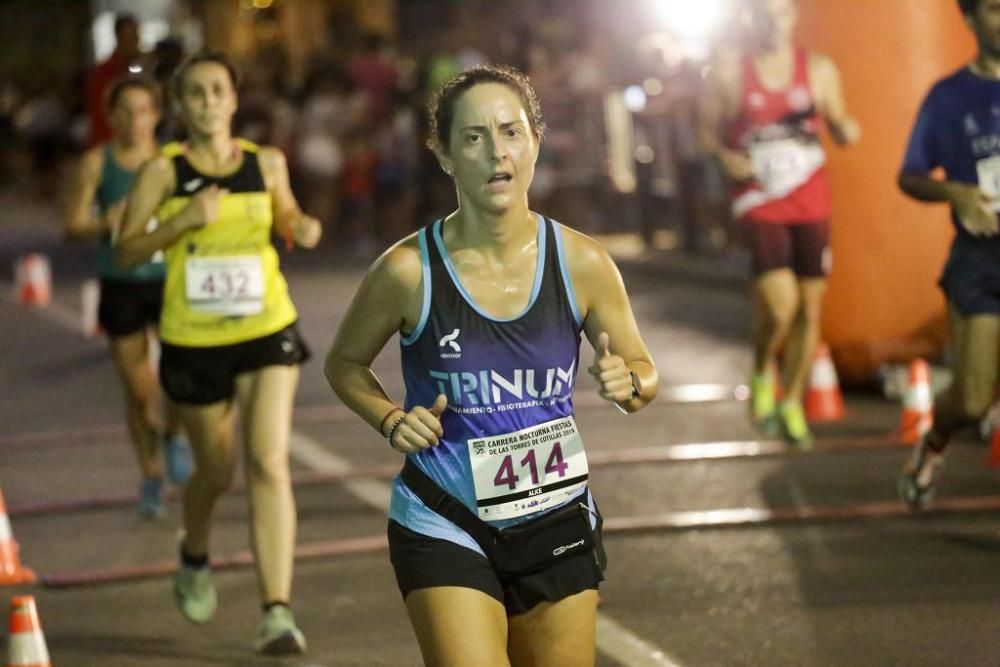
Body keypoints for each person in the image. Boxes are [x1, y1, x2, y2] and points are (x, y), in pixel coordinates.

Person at [325, 65, 658, 666]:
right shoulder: (407, 271)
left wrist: (628, 382)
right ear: (445, 155)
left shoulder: (582, 262)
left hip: (556, 519)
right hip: (444, 519)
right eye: (473, 137)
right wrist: (390, 419)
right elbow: (344, 364)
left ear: (536, 140)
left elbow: (640, 372)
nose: (495, 152)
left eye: (510, 131)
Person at [115, 52, 321, 654]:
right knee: (215, 472)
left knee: (266, 462)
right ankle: (195, 552)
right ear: (181, 106)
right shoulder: (163, 171)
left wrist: (301, 227)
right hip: (194, 339)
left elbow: (287, 216)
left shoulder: (267, 163)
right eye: (196, 94)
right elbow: (125, 252)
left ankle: (277, 610)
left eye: (218, 92)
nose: (209, 103)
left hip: (266, 327)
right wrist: (181, 224)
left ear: (233, 100)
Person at [697, 0, 860, 446]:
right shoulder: (733, 74)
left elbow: (839, 117)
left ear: (793, 18)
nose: (775, 23)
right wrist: (723, 156)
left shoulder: (819, 69)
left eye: (783, 13)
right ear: (752, 19)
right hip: (759, 199)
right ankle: (761, 368)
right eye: (765, 14)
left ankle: (791, 402)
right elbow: (705, 129)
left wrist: (845, 128)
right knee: (781, 303)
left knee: (810, 307)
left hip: (810, 200)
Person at [63, 76, 191, 519]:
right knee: (138, 394)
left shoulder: (172, 161)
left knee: (179, 382)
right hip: (120, 283)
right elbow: (72, 224)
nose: (133, 121)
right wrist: (108, 221)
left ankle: (174, 434)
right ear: (110, 116)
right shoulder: (97, 163)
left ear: (156, 115)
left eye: (142, 111)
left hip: (169, 281)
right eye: (124, 111)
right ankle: (152, 474)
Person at [898, 0, 1000, 509]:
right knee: (974, 399)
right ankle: (934, 441)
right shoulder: (949, 97)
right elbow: (910, 175)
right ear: (969, 18)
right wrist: (957, 194)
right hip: (981, 261)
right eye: (996, 9)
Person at [86, 13, 144, 146]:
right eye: (129, 37)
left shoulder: (142, 69)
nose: (135, 42)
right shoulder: (102, 73)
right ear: (118, 37)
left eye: (136, 37)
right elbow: (101, 115)